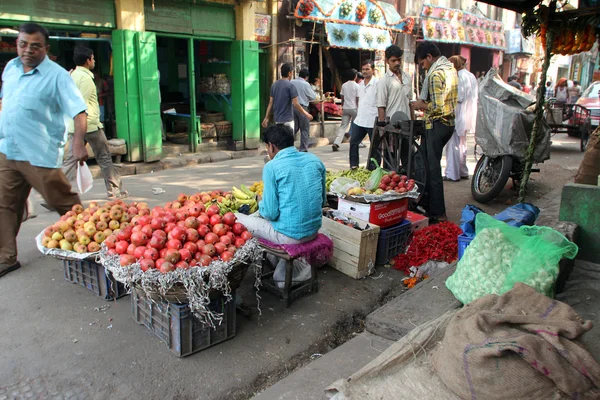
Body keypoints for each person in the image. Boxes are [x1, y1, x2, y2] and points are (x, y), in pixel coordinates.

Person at [0, 23, 88, 278]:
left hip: (38, 153)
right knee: (4, 205)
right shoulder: (11, 69)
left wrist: (78, 143)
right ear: (17, 44)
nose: (28, 50)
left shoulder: (57, 75)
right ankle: (6, 257)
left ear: (46, 49)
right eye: (23, 44)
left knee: (61, 201)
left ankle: (94, 244)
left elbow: (78, 111)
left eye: (35, 46)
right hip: (7, 150)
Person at [236, 124, 326, 245]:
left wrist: (260, 203)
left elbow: (270, 213)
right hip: (314, 230)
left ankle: (272, 260)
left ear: (271, 146)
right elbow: (322, 201)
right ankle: (281, 263)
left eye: (267, 147)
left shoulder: (271, 167)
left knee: (237, 218)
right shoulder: (315, 160)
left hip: (290, 236)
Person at [62, 46, 128, 200]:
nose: (94, 61)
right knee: (104, 157)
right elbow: (81, 106)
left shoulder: (71, 75)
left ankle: (55, 193)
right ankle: (114, 191)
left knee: (70, 160)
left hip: (74, 125)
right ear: (88, 60)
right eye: (93, 58)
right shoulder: (85, 78)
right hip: (89, 125)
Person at [411, 42, 458, 223]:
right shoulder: (450, 69)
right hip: (448, 125)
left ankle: (439, 213)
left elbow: (439, 108)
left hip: (437, 124)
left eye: (423, 63)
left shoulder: (436, 74)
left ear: (429, 57)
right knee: (425, 162)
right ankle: (427, 204)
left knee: (433, 171)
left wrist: (420, 105)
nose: (423, 68)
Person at [445, 56, 477, 182]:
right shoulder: (471, 76)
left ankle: (452, 173)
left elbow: (458, 97)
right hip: (467, 114)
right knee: (462, 144)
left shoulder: (458, 76)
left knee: (453, 144)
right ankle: (462, 171)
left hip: (457, 113)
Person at [262, 63, 313, 133]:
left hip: (277, 119)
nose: (292, 74)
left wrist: (266, 118)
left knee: (280, 141)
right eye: (292, 72)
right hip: (288, 120)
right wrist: (306, 114)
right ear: (289, 73)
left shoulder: (274, 85)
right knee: (288, 142)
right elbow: (296, 104)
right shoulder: (291, 86)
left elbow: (270, 103)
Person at [349, 59, 380, 169]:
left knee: (375, 147)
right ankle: (354, 166)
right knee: (353, 142)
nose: (365, 71)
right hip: (360, 119)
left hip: (373, 120)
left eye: (367, 69)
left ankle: (374, 169)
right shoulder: (360, 84)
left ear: (373, 70)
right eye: (363, 69)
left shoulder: (378, 83)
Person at [376, 45, 414, 123]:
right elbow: (381, 107)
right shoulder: (384, 81)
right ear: (387, 61)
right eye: (393, 61)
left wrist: (413, 123)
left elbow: (411, 103)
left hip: (407, 123)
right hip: (392, 125)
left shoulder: (407, 77)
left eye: (399, 60)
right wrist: (383, 128)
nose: (397, 63)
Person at [290, 68, 316, 152]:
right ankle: (303, 148)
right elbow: (313, 97)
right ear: (307, 77)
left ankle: (288, 146)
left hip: (292, 107)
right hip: (302, 107)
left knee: (294, 128)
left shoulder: (291, 82)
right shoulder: (305, 84)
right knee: (304, 129)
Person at [333, 69, 359, 151]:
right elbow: (357, 98)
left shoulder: (344, 85)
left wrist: (342, 106)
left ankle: (336, 142)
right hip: (354, 108)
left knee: (343, 126)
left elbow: (342, 97)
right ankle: (357, 141)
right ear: (355, 76)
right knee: (356, 125)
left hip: (346, 108)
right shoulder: (357, 86)